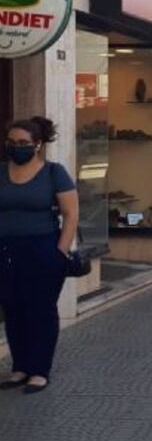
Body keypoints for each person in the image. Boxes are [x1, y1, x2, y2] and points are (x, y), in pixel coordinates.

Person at [0, 117, 78, 394]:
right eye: (11, 143)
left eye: (23, 143)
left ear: (37, 144)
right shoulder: (1, 172)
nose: (16, 148)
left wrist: (60, 252)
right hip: (6, 251)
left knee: (40, 310)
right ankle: (20, 367)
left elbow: (71, 214)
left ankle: (39, 370)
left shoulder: (53, 173)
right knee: (13, 309)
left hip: (43, 248)